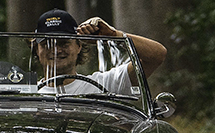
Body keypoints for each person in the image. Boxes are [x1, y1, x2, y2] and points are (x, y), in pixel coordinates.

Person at [30, 8, 166, 96]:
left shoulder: (104, 84)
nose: (57, 50)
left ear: (79, 46)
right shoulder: (27, 95)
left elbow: (157, 55)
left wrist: (114, 35)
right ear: (37, 49)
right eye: (47, 44)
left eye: (64, 43)